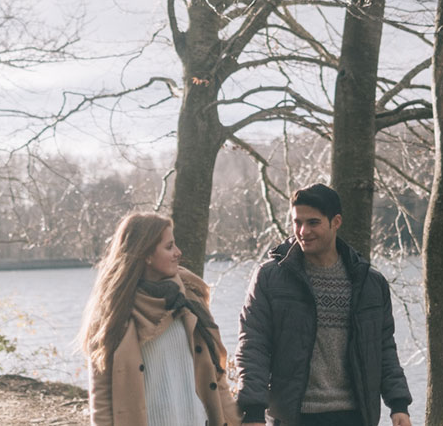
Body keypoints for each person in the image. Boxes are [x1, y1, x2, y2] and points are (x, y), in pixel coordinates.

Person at [235, 183, 412, 426]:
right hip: (293, 418)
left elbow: (383, 348)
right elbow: (253, 344)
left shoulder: (370, 283)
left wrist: (398, 404)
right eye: (297, 222)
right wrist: (253, 410)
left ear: (336, 221)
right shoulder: (270, 278)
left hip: (355, 416)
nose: (303, 231)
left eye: (313, 222)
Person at [79, 211, 240, 426]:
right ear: (146, 254)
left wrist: (238, 420)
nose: (178, 252)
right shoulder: (113, 315)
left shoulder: (190, 301)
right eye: (169, 247)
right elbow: (101, 398)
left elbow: (216, 379)